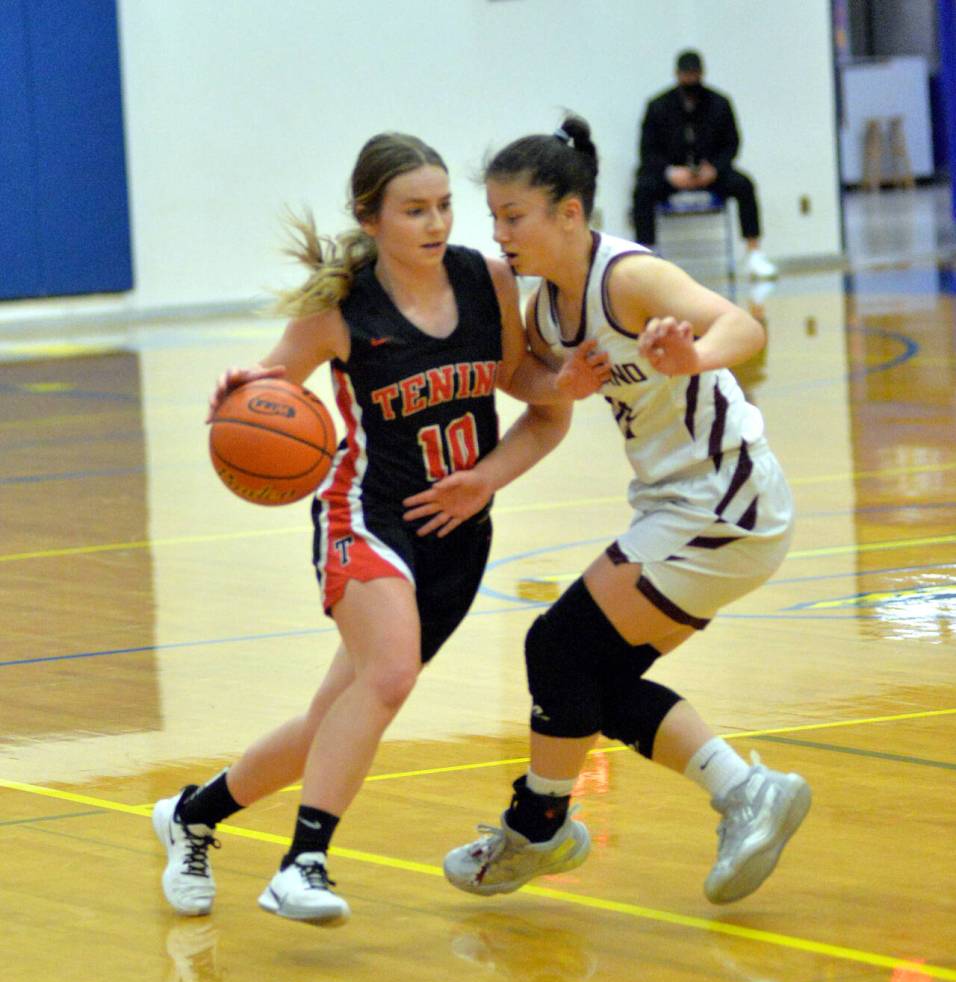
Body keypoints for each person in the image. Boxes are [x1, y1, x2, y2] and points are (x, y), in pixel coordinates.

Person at [152, 132, 610, 927]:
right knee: (390, 676)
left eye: (443, 206)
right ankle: (303, 861)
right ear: (371, 218)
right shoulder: (341, 311)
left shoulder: (488, 280)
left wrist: (555, 386)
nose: (435, 223)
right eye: (413, 210)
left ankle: (192, 814)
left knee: (335, 719)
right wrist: (234, 397)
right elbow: (259, 397)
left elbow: (521, 385)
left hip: (458, 531)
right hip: (364, 515)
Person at [422, 115, 810, 905]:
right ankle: (743, 792)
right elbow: (537, 396)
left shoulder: (627, 277)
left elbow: (741, 321)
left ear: (569, 212)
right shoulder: (548, 310)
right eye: (492, 217)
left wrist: (693, 355)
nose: (499, 233)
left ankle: (539, 828)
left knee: (557, 645)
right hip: (678, 504)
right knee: (590, 676)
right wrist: (496, 464)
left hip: (726, 500)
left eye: (513, 217)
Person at [631, 50, 778, 281]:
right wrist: (671, 172)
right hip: (673, 174)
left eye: (694, 74)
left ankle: (754, 253)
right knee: (643, 188)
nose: (690, 80)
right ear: (677, 75)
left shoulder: (720, 103)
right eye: (686, 74)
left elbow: (732, 144)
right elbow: (647, 151)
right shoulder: (658, 106)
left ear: (702, 74)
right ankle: (647, 255)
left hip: (710, 173)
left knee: (744, 184)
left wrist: (714, 169)